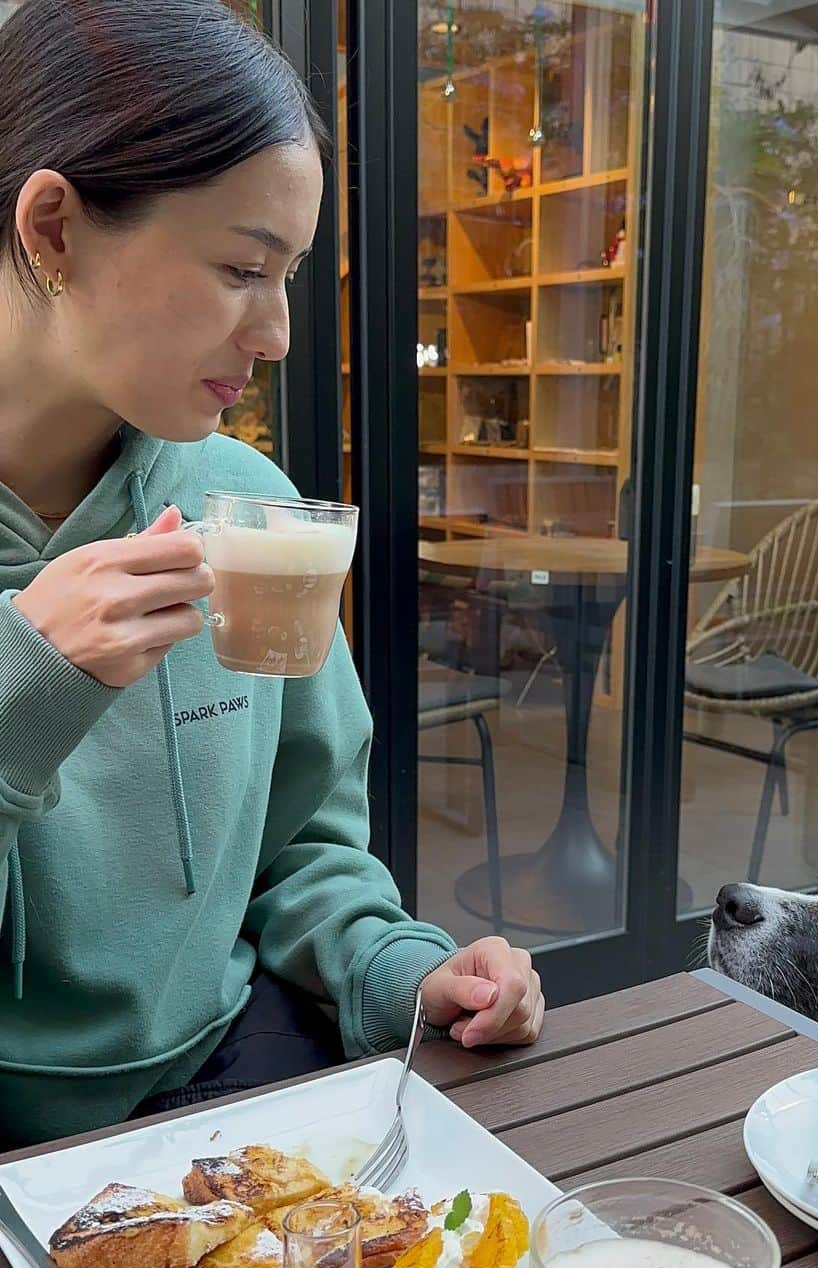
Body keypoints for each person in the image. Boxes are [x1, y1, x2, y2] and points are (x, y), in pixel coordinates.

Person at [0, 0, 543, 1150]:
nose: (281, 333)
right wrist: (24, 684)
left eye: (290, 273)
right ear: (52, 229)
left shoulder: (244, 501)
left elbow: (302, 843)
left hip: (229, 1073)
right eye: (246, 267)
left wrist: (402, 969)